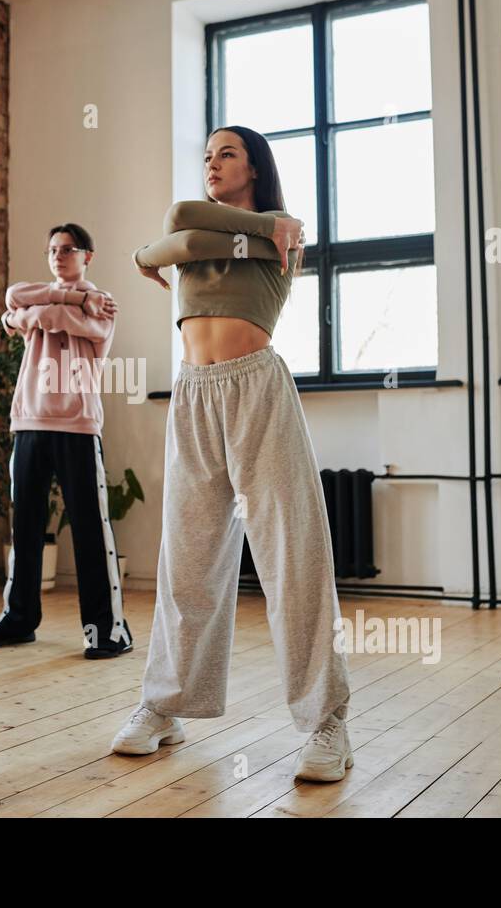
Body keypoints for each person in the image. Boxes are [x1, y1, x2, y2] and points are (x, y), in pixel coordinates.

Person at [110, 126, 353, 782]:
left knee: (291, 554)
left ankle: (327, 722)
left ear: (255, 167)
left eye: (228, 154)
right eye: (208, 154)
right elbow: (176, 233)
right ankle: (165, 705)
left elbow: (173, 236)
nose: (212, 163)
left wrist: (155, 252)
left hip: (257, 389)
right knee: (186, 556)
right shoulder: (230, 236)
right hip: (194, 394)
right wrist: (155, 249)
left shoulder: (283, 231)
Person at [0, 223, 133, 658]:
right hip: (27, 421)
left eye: (68, 249)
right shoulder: (76, 299)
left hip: (77, 424)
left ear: (88, 256)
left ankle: (108, 630)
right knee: (24, 527)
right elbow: (13, 298)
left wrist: (30, 316)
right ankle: (19, 618)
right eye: (52, 250)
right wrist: (68, 299)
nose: (59, 256)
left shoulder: (103, 305)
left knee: (89, 530)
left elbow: (31, 315)